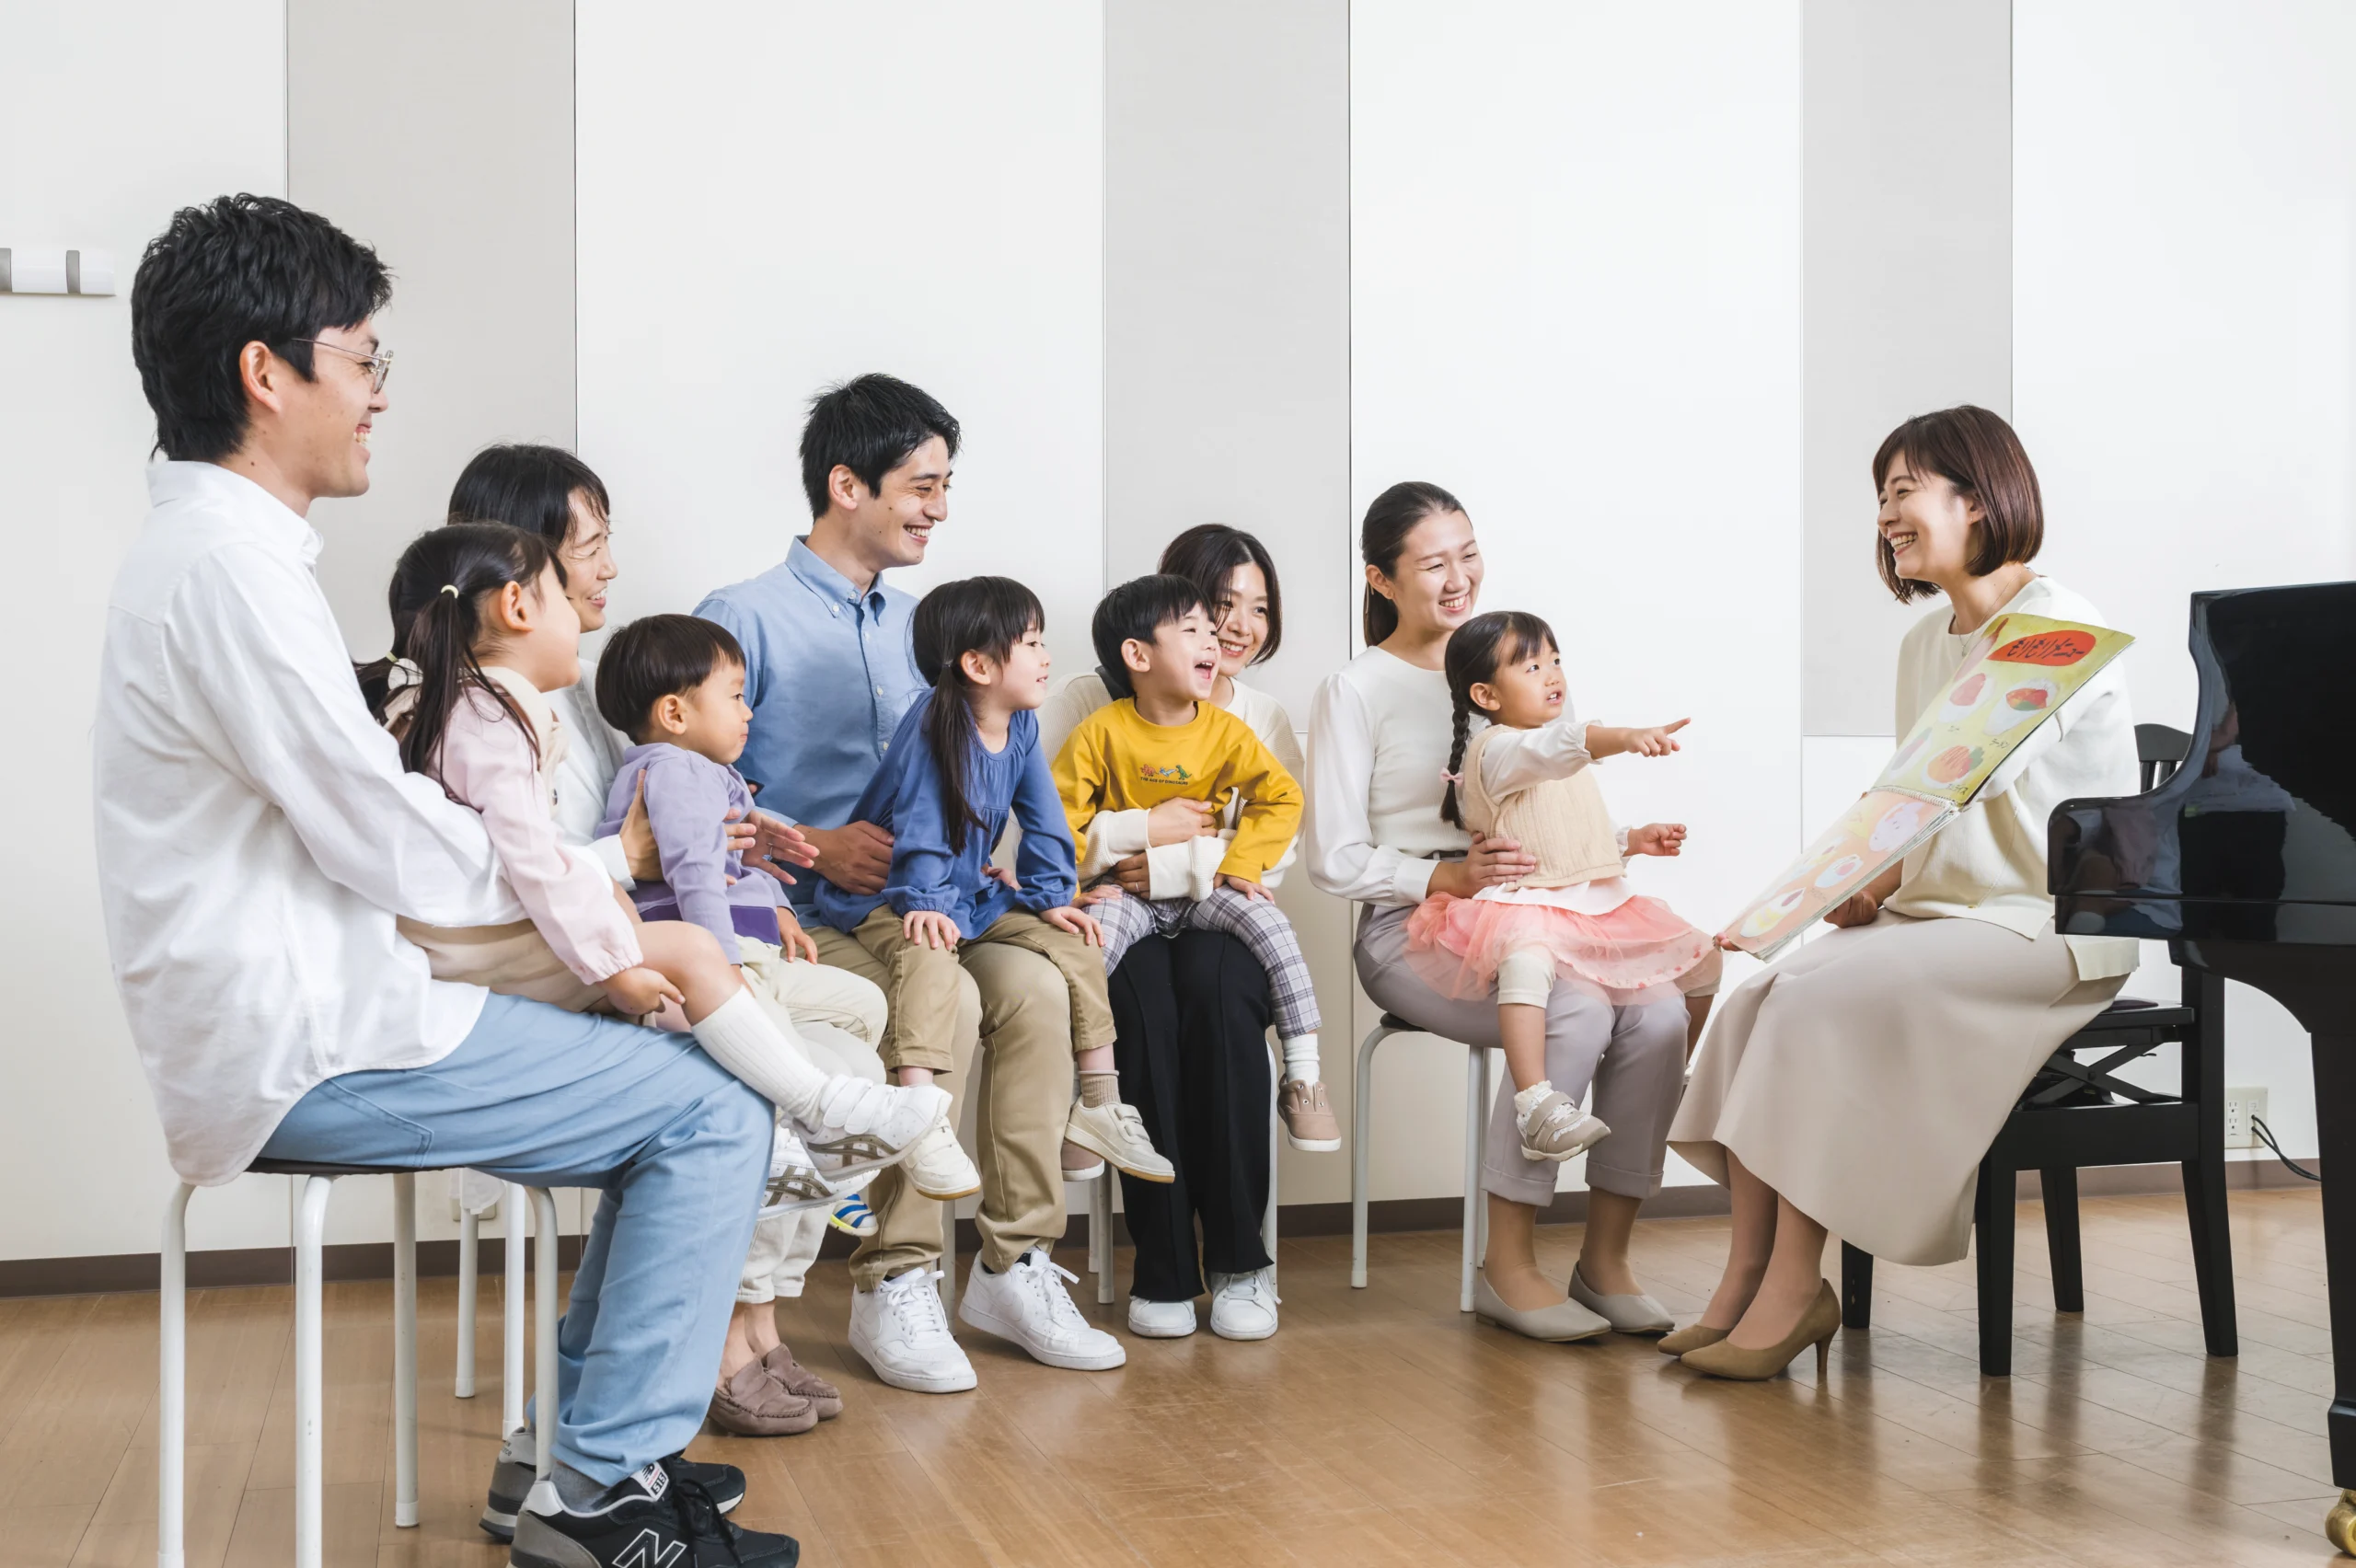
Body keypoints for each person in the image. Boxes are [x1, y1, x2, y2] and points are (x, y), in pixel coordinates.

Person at [100, 194, 793, 1568]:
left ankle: (572, 1455)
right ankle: (597, 1491)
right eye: (363, 361)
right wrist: (583, 908)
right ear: (266, 371)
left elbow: (392, 829)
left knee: (692, 1091)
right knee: (716, 1114)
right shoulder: (231, 572)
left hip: (315, 1010)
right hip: (315, 1038)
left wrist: (574, 903)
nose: (375, 399)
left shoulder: (223, 560)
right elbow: (388, 839)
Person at [1665, 406, 2140, 1379]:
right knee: (1758, 992)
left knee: (1813, 1001)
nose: (1885, 516)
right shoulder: (1925, 645)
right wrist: (1865, 886)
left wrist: (1872, 868)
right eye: (1880, 496)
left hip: (2046, 927)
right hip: (1943, 917)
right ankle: (1745, 1273)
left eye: (1902, 490)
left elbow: (1970, 773)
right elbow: (1921, 800)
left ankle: (1797, 1289)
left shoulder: (2056, 628)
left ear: (1978, 497)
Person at [445, 443, 886, 1446]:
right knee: (771, 1091)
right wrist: (637, 850)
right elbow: (514, 883)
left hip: (636, 956)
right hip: (576, 985)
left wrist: (728, 852)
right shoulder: (479, 708)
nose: (607, 569)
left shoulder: (574, 689)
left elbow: (657, 843)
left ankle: (757, 1319)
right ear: (519, 582)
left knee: (846, 1056)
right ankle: (715, 1350)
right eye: (589, 549)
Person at [698, 375, 1125, 1390]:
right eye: (920, 486)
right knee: (955, 995)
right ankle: (898, 1277)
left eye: (945, 486)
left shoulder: (933, 623)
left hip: (939, 901)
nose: (938, 507)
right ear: (848, 484)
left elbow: (985, 763)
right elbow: (693, 800)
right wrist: (811, 841)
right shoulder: (740, 617)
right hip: (815, 914)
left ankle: (1017, 1261)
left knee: (1031, 989)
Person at [360, 525, 947, 1202]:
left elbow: (546, 861)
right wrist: (615, 966)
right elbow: (532, 858)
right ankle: (812, 1113)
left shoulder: (470, 705)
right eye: (562, 588)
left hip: (497, 937)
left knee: (688, 949)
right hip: (491, 951)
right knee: (695, 950)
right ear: (517, 607)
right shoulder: (496, 712)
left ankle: (800, 1131)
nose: (588, 597)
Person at [1305, 481, 1694, 1343]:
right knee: (1578, 1005)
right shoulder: (1355, 689)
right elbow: (1328, 859)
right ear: (1381, 579)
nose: (1458, 578)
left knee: (1662, 1012)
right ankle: (1507, 1265)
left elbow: (1550, 813)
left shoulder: (1505, 662)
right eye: (1433, 563)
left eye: (1468, 553)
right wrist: (1443, 881)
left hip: (1544, 913)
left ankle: (1606, 1260)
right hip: (1411, 930)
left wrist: (1617, 844)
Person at [1038, 525, 1314, 1340]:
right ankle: (1159, 1264)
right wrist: (1137, 829)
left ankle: (1239, 1260)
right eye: (1217, 605)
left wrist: (1167, 864)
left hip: (1215, 910)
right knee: (1141, 1008)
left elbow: (1276, 845)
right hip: (1113, 908)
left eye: (1257, 608)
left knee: (1221, 998)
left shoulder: (1258, 718)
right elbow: (1046, 830)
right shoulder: (1092, 705)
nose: (1236, 626)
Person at [1406, 610, 1715, 1180]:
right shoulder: (1498, 751)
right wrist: (1622, 737)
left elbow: (1571, 832)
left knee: (1702, 960)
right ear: (1485, 694)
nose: (1552, 675)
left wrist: (1631, 841)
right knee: (1529, 961)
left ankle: (1676, 1074)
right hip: (1528, 902)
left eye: (1554, 661)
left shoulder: (1558, 754)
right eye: (1531, 666)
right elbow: (1556, 750)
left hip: (1587, 902)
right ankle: (1536, 1103)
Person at [1056, 574, 1331, 1147]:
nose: (1214, 640)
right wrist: (1079, 886)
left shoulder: (1229, 732)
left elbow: (1282, 797)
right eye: (1194, 629)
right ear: (1138, 655)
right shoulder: (1097, 732)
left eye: (1213, 628)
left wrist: (1242, 866)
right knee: (1084, 955)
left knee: (1274, 929)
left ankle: (1304, 1078)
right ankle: (1087, 1100)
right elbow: (1056, 826)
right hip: (1124, 893)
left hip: (1207, 891)